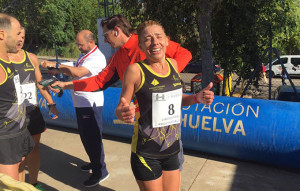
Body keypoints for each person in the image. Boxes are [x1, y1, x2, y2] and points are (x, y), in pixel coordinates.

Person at [49, 14, 192, 171]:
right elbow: (98, 81)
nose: (104, 40)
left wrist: (166, 76)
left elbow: (185, 54)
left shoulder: (147, 40)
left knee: (173, 165)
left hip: (166, 118)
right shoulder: (118, 57)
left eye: (105, 35)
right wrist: (67, 85)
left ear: (116, 30)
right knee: (148, 167)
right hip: (143, 120)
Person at [115, 20, 214, 191]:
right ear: (140, 45)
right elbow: (120, 107)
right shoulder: (135, 71)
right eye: (147, 39)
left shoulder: (173, 65)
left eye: (158, 36)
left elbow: (177, 100)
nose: (154, 42)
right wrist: (123, 112)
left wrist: (196, 98)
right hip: (146, 151)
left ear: (167, 40)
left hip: (172, 149)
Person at [41, 30, 109, 188]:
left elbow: (78, 72)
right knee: (86, 137)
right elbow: (74, 68)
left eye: (80, 44)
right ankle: (94, 163)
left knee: (93, 138)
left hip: (90, 104)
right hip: (80, 102)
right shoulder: (85, 54)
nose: (78, 47)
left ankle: (101, 171)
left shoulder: (97, 57)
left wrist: (57, 65)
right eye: (78, 44)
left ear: (90, 42)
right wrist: (58, 70)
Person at [8, 27, 59, 190]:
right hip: (13, 115)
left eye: (23, 36)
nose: (20, 39)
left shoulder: (31, 58)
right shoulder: (3, 59)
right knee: (20, 155)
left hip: (32, 111)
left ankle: (34, 184)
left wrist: (51, 103)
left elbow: (39, 82)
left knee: (34, 148)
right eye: (17, 35)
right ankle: (20, 186)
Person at [0, 13, 34, 181]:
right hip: (5, 140)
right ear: (2, 35)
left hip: (19, 131)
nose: (19, 38)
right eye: (16, 34)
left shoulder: (7, 59)